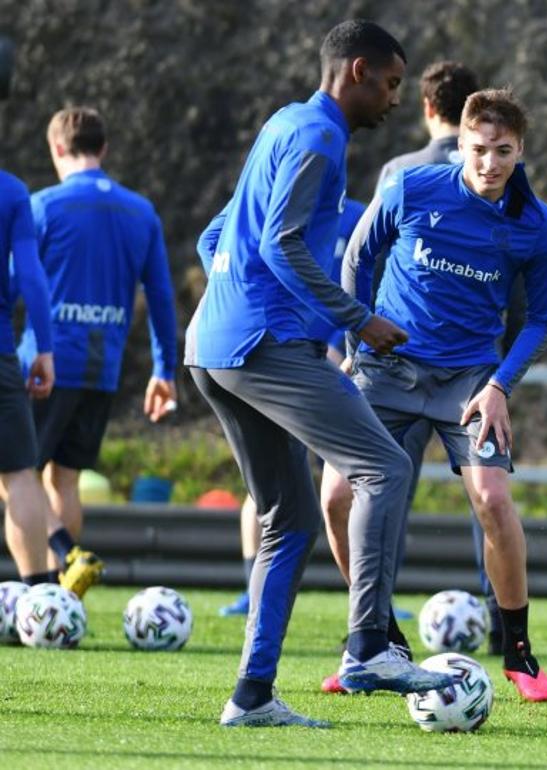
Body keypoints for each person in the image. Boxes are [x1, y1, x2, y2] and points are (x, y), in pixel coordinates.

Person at [187, 19, 453, 728]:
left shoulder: (285, 124)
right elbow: (278, 243)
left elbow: (218, 235)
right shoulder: (319, 136)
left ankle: (251, 697)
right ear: (358, 71)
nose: (396, 100)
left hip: (215, 344)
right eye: (393, 84)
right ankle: (369, 644)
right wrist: (355, 317)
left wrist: (234, 298)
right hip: (261, 344)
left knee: (289, 520)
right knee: (384, 469)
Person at [340, 87, 547, 702]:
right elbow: (358, 256)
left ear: (521, 151)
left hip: (469, 380)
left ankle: (517, 648)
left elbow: (542, 319)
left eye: (504, 151)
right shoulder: (414, 188)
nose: (490, 164)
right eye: (480, 149)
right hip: (389, 371)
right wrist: (359, 335)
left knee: (492, 500)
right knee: (337, 497)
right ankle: (372, 641)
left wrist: (498, 386)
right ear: (459, 144)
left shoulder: (534, 223)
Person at [319, 62, 510, 685]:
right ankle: (389, 638)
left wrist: (356, 338)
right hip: (433, 368)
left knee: (359, 497)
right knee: (479, 503)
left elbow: (359, 257)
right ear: (464, 123)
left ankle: (377, 629)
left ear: (428, 108)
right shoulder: (465, 182)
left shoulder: (400, 171)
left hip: (409, 366)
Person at [18, 106, 179, 598]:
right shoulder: (141, 211)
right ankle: (63, 596)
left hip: (46, 364)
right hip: (101, 370)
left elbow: (15, 282)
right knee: (63, 480)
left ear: (57, 149)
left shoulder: (44, 205)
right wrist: (164, 368)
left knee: (18, 475)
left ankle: (65, 556)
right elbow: (161, 295)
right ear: (104, 149)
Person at [217, 195, 367, 618]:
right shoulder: (269, 210)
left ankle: (371, 594)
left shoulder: (358, 217)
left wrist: (342, 348)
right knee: (273, 476)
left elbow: (366, 281)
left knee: (363, 480)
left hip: (337, 358)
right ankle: (253, 588)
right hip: (280, 354)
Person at [0, 168, 59, 588]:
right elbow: (31, 273)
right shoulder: (11, 191)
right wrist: (45, 347)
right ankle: (39, 596)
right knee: (19, 473)